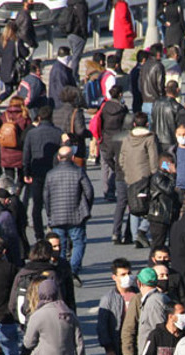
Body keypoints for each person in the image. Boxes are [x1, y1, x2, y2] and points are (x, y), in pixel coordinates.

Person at [44, 146, 94, 281]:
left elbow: (46, 197)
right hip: (76, 215)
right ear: (72, 157)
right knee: (79, 243)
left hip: (57, 216)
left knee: (59, 245)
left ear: (59, 158)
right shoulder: (79, 172)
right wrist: (86, 207)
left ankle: (61, 270)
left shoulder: (50, 174)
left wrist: (50, 213)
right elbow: (89, 191)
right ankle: (73, 269)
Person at [118, 112, 159, 248]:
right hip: (145, 176)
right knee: (150, 204)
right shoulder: (150, 138)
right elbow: (153, 158)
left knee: (133, 206)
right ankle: (142, 230)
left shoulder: (127, 138)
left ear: (134, 124)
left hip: (130, 176)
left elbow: (121, 157)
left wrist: (126, 170)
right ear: (147, 124)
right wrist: (155, 174)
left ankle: (135, 235)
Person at [23, 106, 63, 242]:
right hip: (54, 172)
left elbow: (26, 154)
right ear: (51, 117)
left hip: (36, 172)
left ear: (39, 118)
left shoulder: (32, 133)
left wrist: (26, 172)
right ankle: (53, 229)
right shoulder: (58, 133)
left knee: (37, 204)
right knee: (53, 204)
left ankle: (39, 234)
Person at [100, 86, 128, 205]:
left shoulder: (104, 107)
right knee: (117, 165)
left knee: (105, 165)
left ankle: (106, 190)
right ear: (120, 94)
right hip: (118, 139)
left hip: (105, 138)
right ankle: (112, 189)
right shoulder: (122, 109)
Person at [147, 153, 180, 248]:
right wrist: (173, 174)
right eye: (172, 163)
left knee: (174, 242)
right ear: (165, 165)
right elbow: (169, 190)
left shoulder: (167, 176)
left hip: (170, 214)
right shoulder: (158, 177)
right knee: (158, 243)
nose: (174, 166)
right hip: (159, 215)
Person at [0, 96, 30, 184]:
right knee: (21, 176)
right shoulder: (24, 115)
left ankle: (9, 192)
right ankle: (19, 191)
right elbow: (28, 132)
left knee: (9, 176)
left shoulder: (4, 115)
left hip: (5, 151)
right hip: (20, 150)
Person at [151, 81, 183, 147]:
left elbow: (152, 120)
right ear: (177, 90)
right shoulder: (176, 107)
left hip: (156, 139)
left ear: (166, 89)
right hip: (170, 140)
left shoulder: (156, 103)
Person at [140, 44, 166, 116]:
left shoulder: (144, 65)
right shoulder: (158, 66)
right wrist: (162, 98)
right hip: (156, 101)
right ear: (158, 54)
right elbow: (160, 85)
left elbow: (140, 84)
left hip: (145, 101)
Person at [110, 0, 135, 70]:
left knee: (119, 50)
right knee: (119, 51)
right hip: (123, 31)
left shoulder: (117, 4)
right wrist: (129, 29)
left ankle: (117, 67)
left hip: (119, 31)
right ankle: (117, 67)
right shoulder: (122, 4)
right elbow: (123, 18)